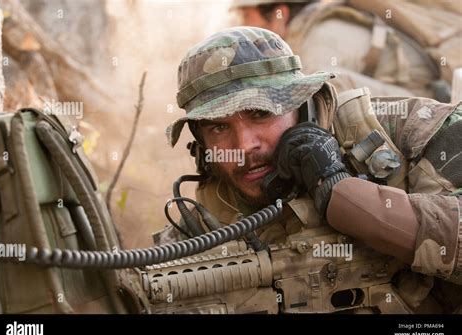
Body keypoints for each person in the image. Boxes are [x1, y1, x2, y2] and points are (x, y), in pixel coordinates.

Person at [161, 26, 462, 313]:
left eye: (260, 113)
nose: (244, 145)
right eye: (218, 127)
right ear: (200, 143)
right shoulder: (202, 225)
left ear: (303, 106)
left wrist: (344, 195)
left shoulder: (406, 130)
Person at [230, 0, 462, 101]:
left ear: (280, 14)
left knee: (319, 85)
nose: (241, 24)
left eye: (246, 16)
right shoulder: (314, 29)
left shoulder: (320, 39)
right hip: (416, 95)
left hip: (426, 103)